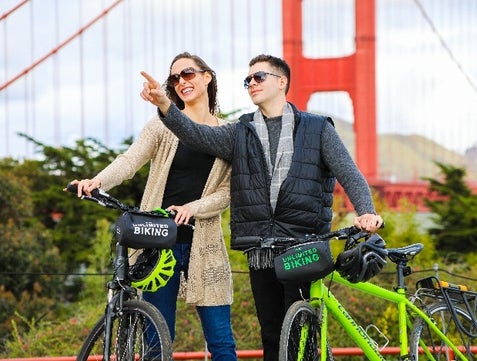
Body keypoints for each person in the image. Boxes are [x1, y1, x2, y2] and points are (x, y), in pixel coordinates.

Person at [140, 54, 383, 361]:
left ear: (282, 82)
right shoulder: (240, 132)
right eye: (247, 80)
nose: (251, 84)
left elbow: (349, 173)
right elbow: (197, 135)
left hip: (302, 245)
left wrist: (367, 211)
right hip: (260, 247)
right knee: (271, 335)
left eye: (259, 77)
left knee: (300, 336)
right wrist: (165, 106)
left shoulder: (318, 129)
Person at [68, 52, 237, 361]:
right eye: (174, 78)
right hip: (159, 245)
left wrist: (193, 207)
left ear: (207, 76)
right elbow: (129, 161)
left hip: (206, 245)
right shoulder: (162, 125)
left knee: (221, 342)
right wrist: (97, 182)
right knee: (157, 341)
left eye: (187, 74)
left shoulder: (229, 132)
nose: (181, 82)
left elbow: (227, 192)